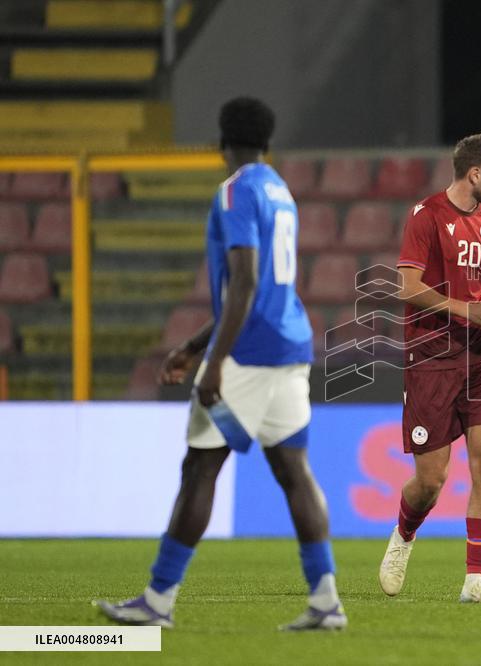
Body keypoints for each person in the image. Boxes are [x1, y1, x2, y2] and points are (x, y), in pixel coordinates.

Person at [94, 97, 346, 630]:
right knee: (292, 471)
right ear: (267, 142)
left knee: (200, 467)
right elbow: (262, 288)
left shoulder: (235, 191)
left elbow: (246, 283)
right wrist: (195, 343)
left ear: (220, 143)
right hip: (291, 347)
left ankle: (157, 601)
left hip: (248, 357)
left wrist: (214, 362)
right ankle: (326, 601)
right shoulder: (282, 191)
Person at [378, 133, 481, 603]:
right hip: (431, 357)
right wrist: (465, 310)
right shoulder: (426, 216)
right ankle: (403, 535)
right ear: (474, 174)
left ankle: (475, 580)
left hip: (480, 359)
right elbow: (406, 287)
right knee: (431, 480)